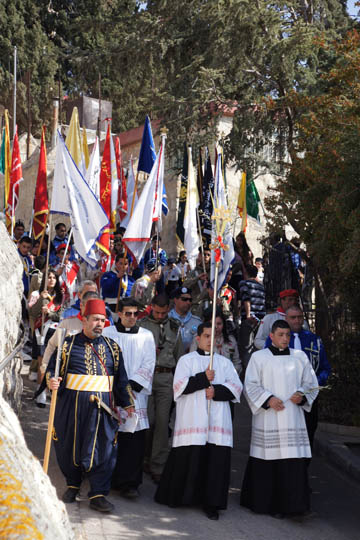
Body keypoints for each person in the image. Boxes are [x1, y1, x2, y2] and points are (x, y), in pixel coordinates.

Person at [47, 298, 135, 513]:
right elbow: (52, 371)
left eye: (103, 320)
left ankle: (98, 493)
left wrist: (128, 404)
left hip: (102, 408)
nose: (99, 324)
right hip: (71, 406)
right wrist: (52, 380)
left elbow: (121, 380)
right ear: (84, 320)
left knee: (103, 449)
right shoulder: (66, 345)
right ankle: (72, 485)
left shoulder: (113, 348)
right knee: (70, 446)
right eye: (95, 319)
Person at [155, 322, 242, 520]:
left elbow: (237, 388)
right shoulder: (187, 361)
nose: (210, 340)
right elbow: (179, 387)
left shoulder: (225, 363)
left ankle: (211, 503)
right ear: (198, 338)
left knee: (214, 461)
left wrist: (216, 391)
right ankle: (180, 496)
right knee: (190, 457)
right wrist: (203, 378)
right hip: (192, 418)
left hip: (216, 420)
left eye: (214, 337)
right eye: (206, 336)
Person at [240, 320, 318, 519]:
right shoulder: (259, 357)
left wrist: (302, 395)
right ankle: (265, 503)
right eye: (280, 335)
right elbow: (250, 385)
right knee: (268, 458)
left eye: (287, 335)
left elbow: (311, 383)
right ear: (271, 336)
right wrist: (268, 399)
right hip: (269, 418)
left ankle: (294, 506)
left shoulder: (299, 357)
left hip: (292, 417)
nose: (285, 339)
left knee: (292, 462)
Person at [103, 298, 156, 498]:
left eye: (135, 313)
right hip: (111, 394)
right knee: (111, 439)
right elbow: (104, 361)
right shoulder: (107, 333)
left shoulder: (146, 336)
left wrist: (130, 387)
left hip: (136, 395)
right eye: (128, 313)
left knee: (133, 442)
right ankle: (106, 479)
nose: (132, 317)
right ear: (119, 314)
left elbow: (149, 363)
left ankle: (130, 484)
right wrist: (118, 389)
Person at [139, 294, 184, 483]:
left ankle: (158, 465)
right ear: (151, 307)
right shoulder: (142, 325)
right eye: (156, 312)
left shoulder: (174, 326)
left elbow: (179, 355)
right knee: (146, 420)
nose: (159, 316)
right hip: (146, 376)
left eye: (163, 313)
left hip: (166, 377)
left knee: (162, 422)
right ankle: (143, 459)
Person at [283, 305, 331, 449]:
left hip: (308, 396)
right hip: (286, 397)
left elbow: (325, 367)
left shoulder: (314, 340)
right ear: (286, 319)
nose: (297, 321)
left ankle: (303, 469)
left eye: (299, 317)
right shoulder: (276, 340)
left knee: (308, 436)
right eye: (293, 318)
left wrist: (313, 386)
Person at [28, 268, 64, 405]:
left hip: (54, 332)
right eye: (49, 277)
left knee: (53, 363)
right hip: (41, 331)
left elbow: (60, 315)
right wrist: (40, 301)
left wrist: (49, 313)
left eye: (54, 278)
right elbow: (32, 312)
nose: (51, 280)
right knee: (42, 362)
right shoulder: (37, 294)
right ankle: (40, 391)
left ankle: (48, 388)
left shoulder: (60, 296)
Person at [191, 310, 242, 376]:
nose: (216, 327)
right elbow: (192, 360)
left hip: (228, 378)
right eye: (212, 323)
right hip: (206, 378)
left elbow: (237, 363)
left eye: (219, 324)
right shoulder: (199, 339)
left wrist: (230, 373)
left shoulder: (231, 340)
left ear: (223, 324)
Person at [238, 264, 266, 368]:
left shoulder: (244, 283)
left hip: (249, 319)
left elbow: (246, 298)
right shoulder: (261, 286)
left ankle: (248, 371)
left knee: (246, 348)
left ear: (246, 273)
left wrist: (249, 315)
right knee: (257, 346)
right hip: (260, 320)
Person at [168, 287, 202, 352]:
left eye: (190, 300)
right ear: (175, 300)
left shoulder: (197, 322)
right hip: (170, 359)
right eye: (184, 299)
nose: (188, 302)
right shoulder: (167, 319)